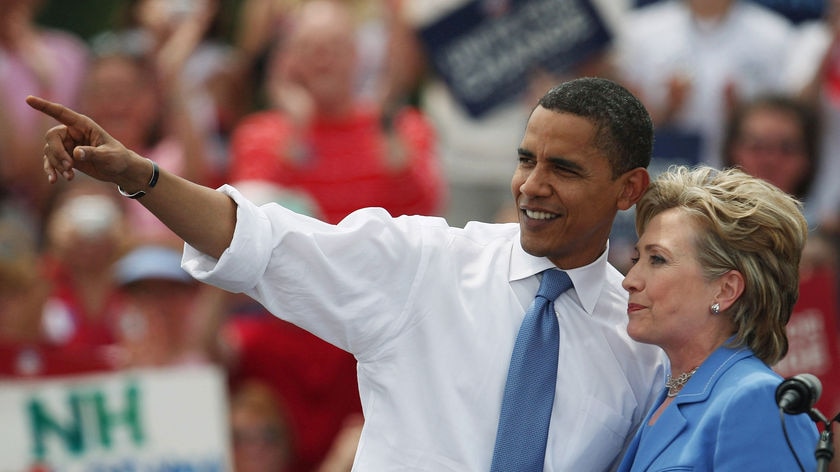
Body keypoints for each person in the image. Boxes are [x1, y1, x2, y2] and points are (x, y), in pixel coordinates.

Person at [27, 76, 666, 470]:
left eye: (566, 169)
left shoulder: (645, 341)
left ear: (629, 189)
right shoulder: (426, 262)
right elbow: (262, 241)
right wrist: (141, 177)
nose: (533, 185)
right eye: (527, 159)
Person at [617, 165, 819, 471]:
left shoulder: (756, 401)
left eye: (657, 259)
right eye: (636, 259)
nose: (629, 280)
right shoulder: (666, 392)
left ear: (726, 290)